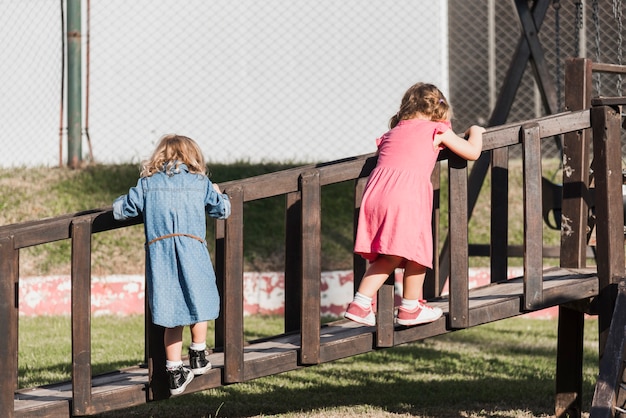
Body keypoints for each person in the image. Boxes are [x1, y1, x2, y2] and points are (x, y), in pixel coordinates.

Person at [345, 82, 484, 327]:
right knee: (406, 252)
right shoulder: (437, 130)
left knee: (400, 251)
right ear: (439, 110)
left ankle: (396, 304)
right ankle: (379, 304)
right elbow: (471, 152)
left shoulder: (394, 132)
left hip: (376, 193)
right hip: (406, 197)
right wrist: (476, 131)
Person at [113, 134, 231, 396]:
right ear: (192, 156)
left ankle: (175, 372)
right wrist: (220, 196)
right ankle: (199, 355)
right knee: (199, 303)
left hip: (162, 254)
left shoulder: (147, 184)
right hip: (193, 249)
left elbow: (124, 210)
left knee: (172, 312)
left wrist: (117, 203)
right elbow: (221, 210)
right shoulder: (200, 182)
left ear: (159, 156)